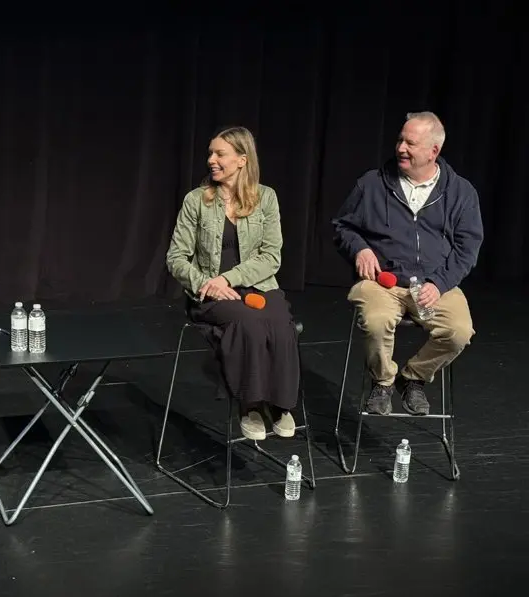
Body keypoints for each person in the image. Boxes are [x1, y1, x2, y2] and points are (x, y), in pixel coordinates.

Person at [332, 111, 482, 416]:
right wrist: (360, 249)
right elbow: (342, 227)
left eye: (410, 143)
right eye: (400, 140)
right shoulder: (372, 184)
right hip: (382, 282)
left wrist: (439, 283)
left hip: (434, 285)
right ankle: (383, 382)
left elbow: (467, 248)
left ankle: (413, 378)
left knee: (459, 331)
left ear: (433, 151)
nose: (401, 148)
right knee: (376, 320)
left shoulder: (460, 192)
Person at [166, 126, 300, 441]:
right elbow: (176, 258)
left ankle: (279, 404)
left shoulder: (266, 198)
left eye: (220, 154)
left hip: (259, 286)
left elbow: (271, 256)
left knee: (281, 324)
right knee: (247, 323)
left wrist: (229, 277)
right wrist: (208, 282)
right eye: (210, 153)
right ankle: (249, 404)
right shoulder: (196, 201)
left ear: (242, 159)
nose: (211, 160)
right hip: (211, 294)